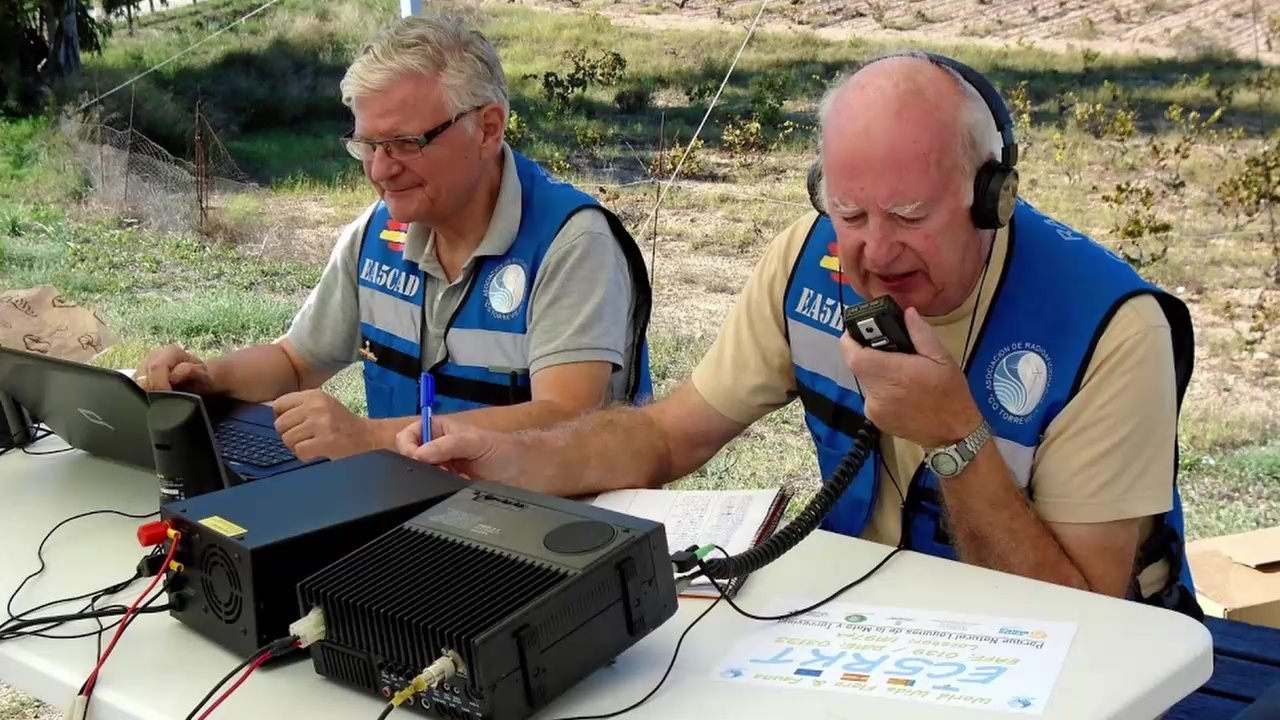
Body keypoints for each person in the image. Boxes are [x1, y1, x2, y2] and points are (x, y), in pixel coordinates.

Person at [394, 51, 1202, 619]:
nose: (875, 252)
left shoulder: (1112, 329)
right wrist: (518, 461)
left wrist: (955, 438)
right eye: (849, 213)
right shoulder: (807, 260)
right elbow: (670, 436)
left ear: (992, 197)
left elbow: (1086, 614)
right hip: (876, 623)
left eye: (911, 218)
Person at [133, 11, 654, 461]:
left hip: (551, 530)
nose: (380, 170)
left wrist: (370, 438)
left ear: (489, 129)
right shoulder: (377, 233)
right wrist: (209, 376)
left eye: (404, 142)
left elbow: (566, 422)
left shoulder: (571, 243)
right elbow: (296, 361)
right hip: (411, 512)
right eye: (367, 144)